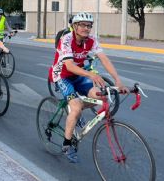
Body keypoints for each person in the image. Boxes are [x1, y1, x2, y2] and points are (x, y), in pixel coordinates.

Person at [49, 12, 128, 163]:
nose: (86, 28)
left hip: (78, 74)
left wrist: (118, 80)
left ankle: (75, 112)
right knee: (76, 107)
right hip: (63, 76)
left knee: (101, 97)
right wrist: (91, 75)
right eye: (82, 25)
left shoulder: (91, 40)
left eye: (89, 25)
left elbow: (104, 59)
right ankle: (67, 144)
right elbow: (69, 66)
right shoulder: (66, 40)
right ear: (74, 26)